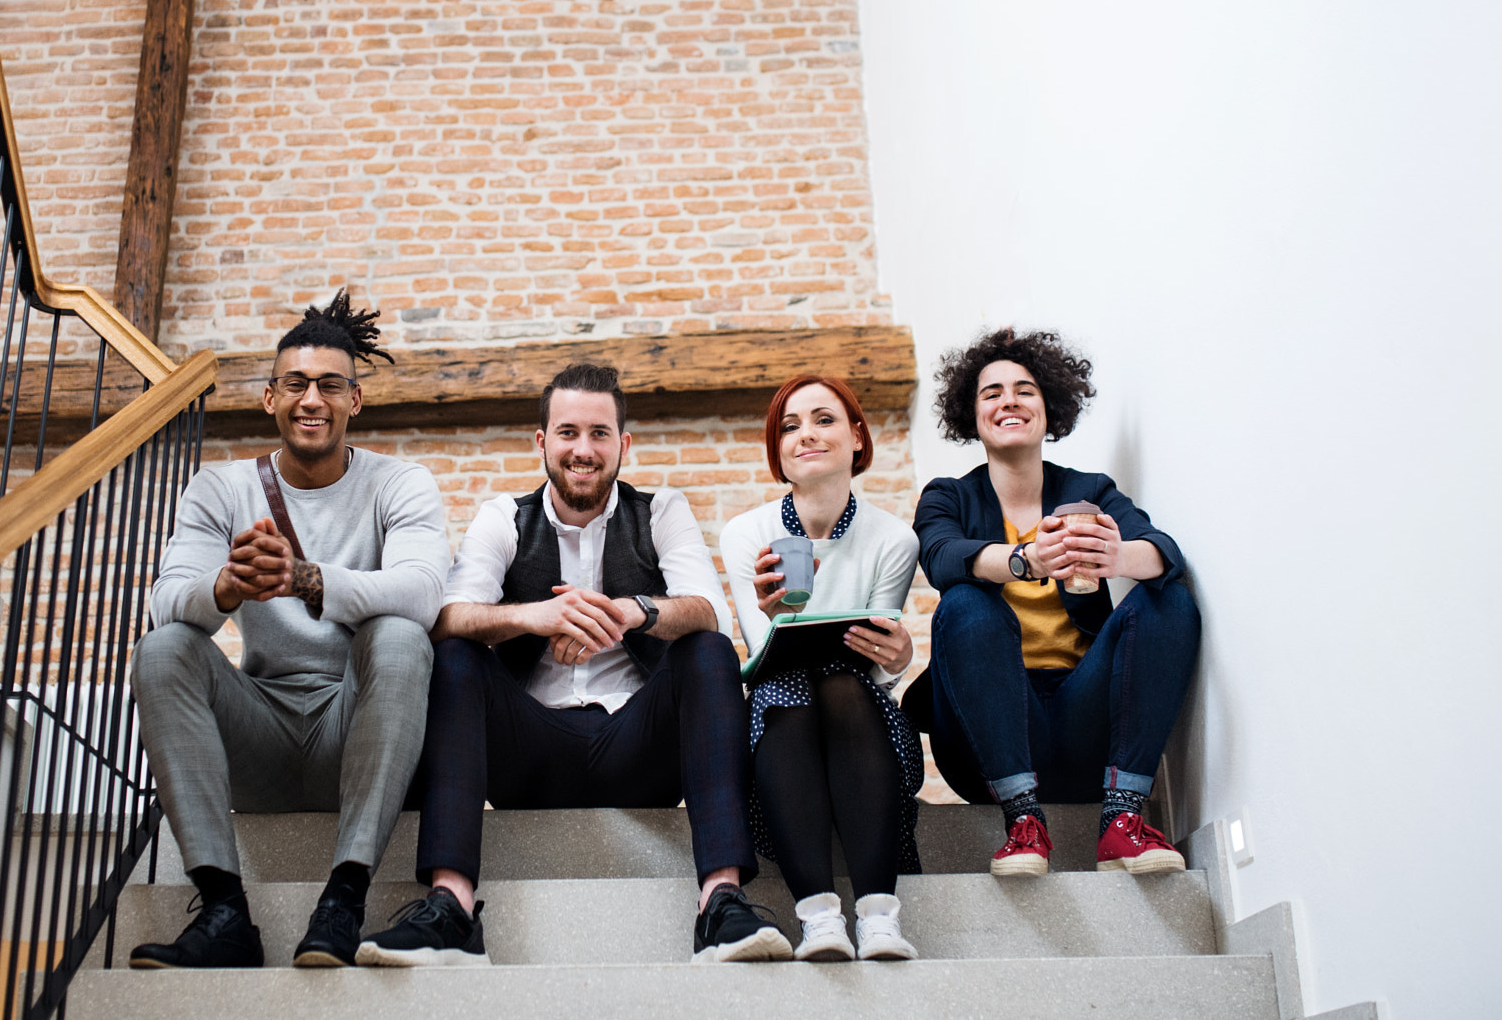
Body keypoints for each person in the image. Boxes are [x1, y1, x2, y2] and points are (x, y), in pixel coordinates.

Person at [358, 362, 788, 967]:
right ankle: (452, 908)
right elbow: (447, 614)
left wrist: (632, 611)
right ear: (542, 441)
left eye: (599, 433)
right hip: (529, 754)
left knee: (708, 648)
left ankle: (721, 904)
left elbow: (710, 609)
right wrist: (533, 617)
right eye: (567, 433)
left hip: (639, 749)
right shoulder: (502, 517)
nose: (583, 450)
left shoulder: (662, 509)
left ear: (623, 444)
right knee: (454, 655)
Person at [127, 291, 452, 969]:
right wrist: (226, 586)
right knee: (163, 648)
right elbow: (165, 602)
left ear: (354, 401)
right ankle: (223, 913)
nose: (313, 399)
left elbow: (423, 594)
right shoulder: (218, 489)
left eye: (330, 385)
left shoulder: (400, 483)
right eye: (297, 384)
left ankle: (343, 898)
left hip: (356, 731)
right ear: (269, 398)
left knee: (398, 634)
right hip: (260, 736)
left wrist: (304, 578)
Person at [909, 327, 1199, 877]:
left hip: (1081, 719)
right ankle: (1021, 822)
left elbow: (1165, 553)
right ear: (971, 416)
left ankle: (1122, 818)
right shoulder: (948, 495)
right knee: (966, 603)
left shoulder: (1090, 488)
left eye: (1025, 389)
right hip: (985, 737)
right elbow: (942, 557)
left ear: (1049, 408)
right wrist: (1026, 561)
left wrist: (1117, 554)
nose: (1009, 400)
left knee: (1170, 602)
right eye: (991, 393)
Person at [721, 375, 924, 962]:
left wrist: (898, 656)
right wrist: (774, 614)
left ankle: (880, 917)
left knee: (842, 681)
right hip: (779, 725)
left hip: (862, 720)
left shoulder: (893, 539)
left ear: (857, 437)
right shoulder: (747, 534)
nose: (805, 435)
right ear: (777, 450)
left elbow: (876, 663)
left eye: (824, 420)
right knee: (787, 683)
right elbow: (763, 661)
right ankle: (818, 918)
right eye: (790, 427)